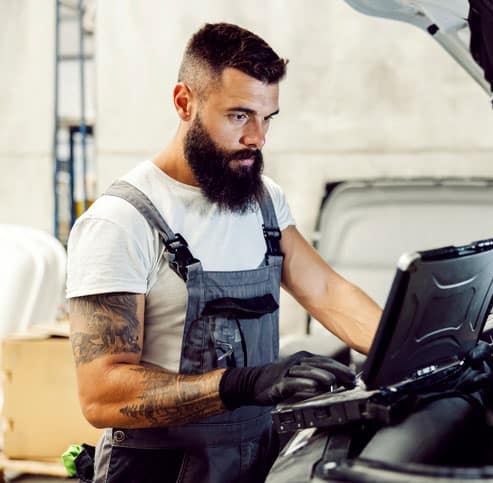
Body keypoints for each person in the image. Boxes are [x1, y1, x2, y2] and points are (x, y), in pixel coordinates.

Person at [66, 22, 382, 483]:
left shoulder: (263, 201)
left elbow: (328, 291)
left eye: (267, 117)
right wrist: (242, 384)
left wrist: (412, 353)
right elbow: (101, 393)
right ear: (184, 102)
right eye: (239, 116)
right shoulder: (121, 222)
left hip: (254, 461)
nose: (258, 137)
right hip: (161, 470)